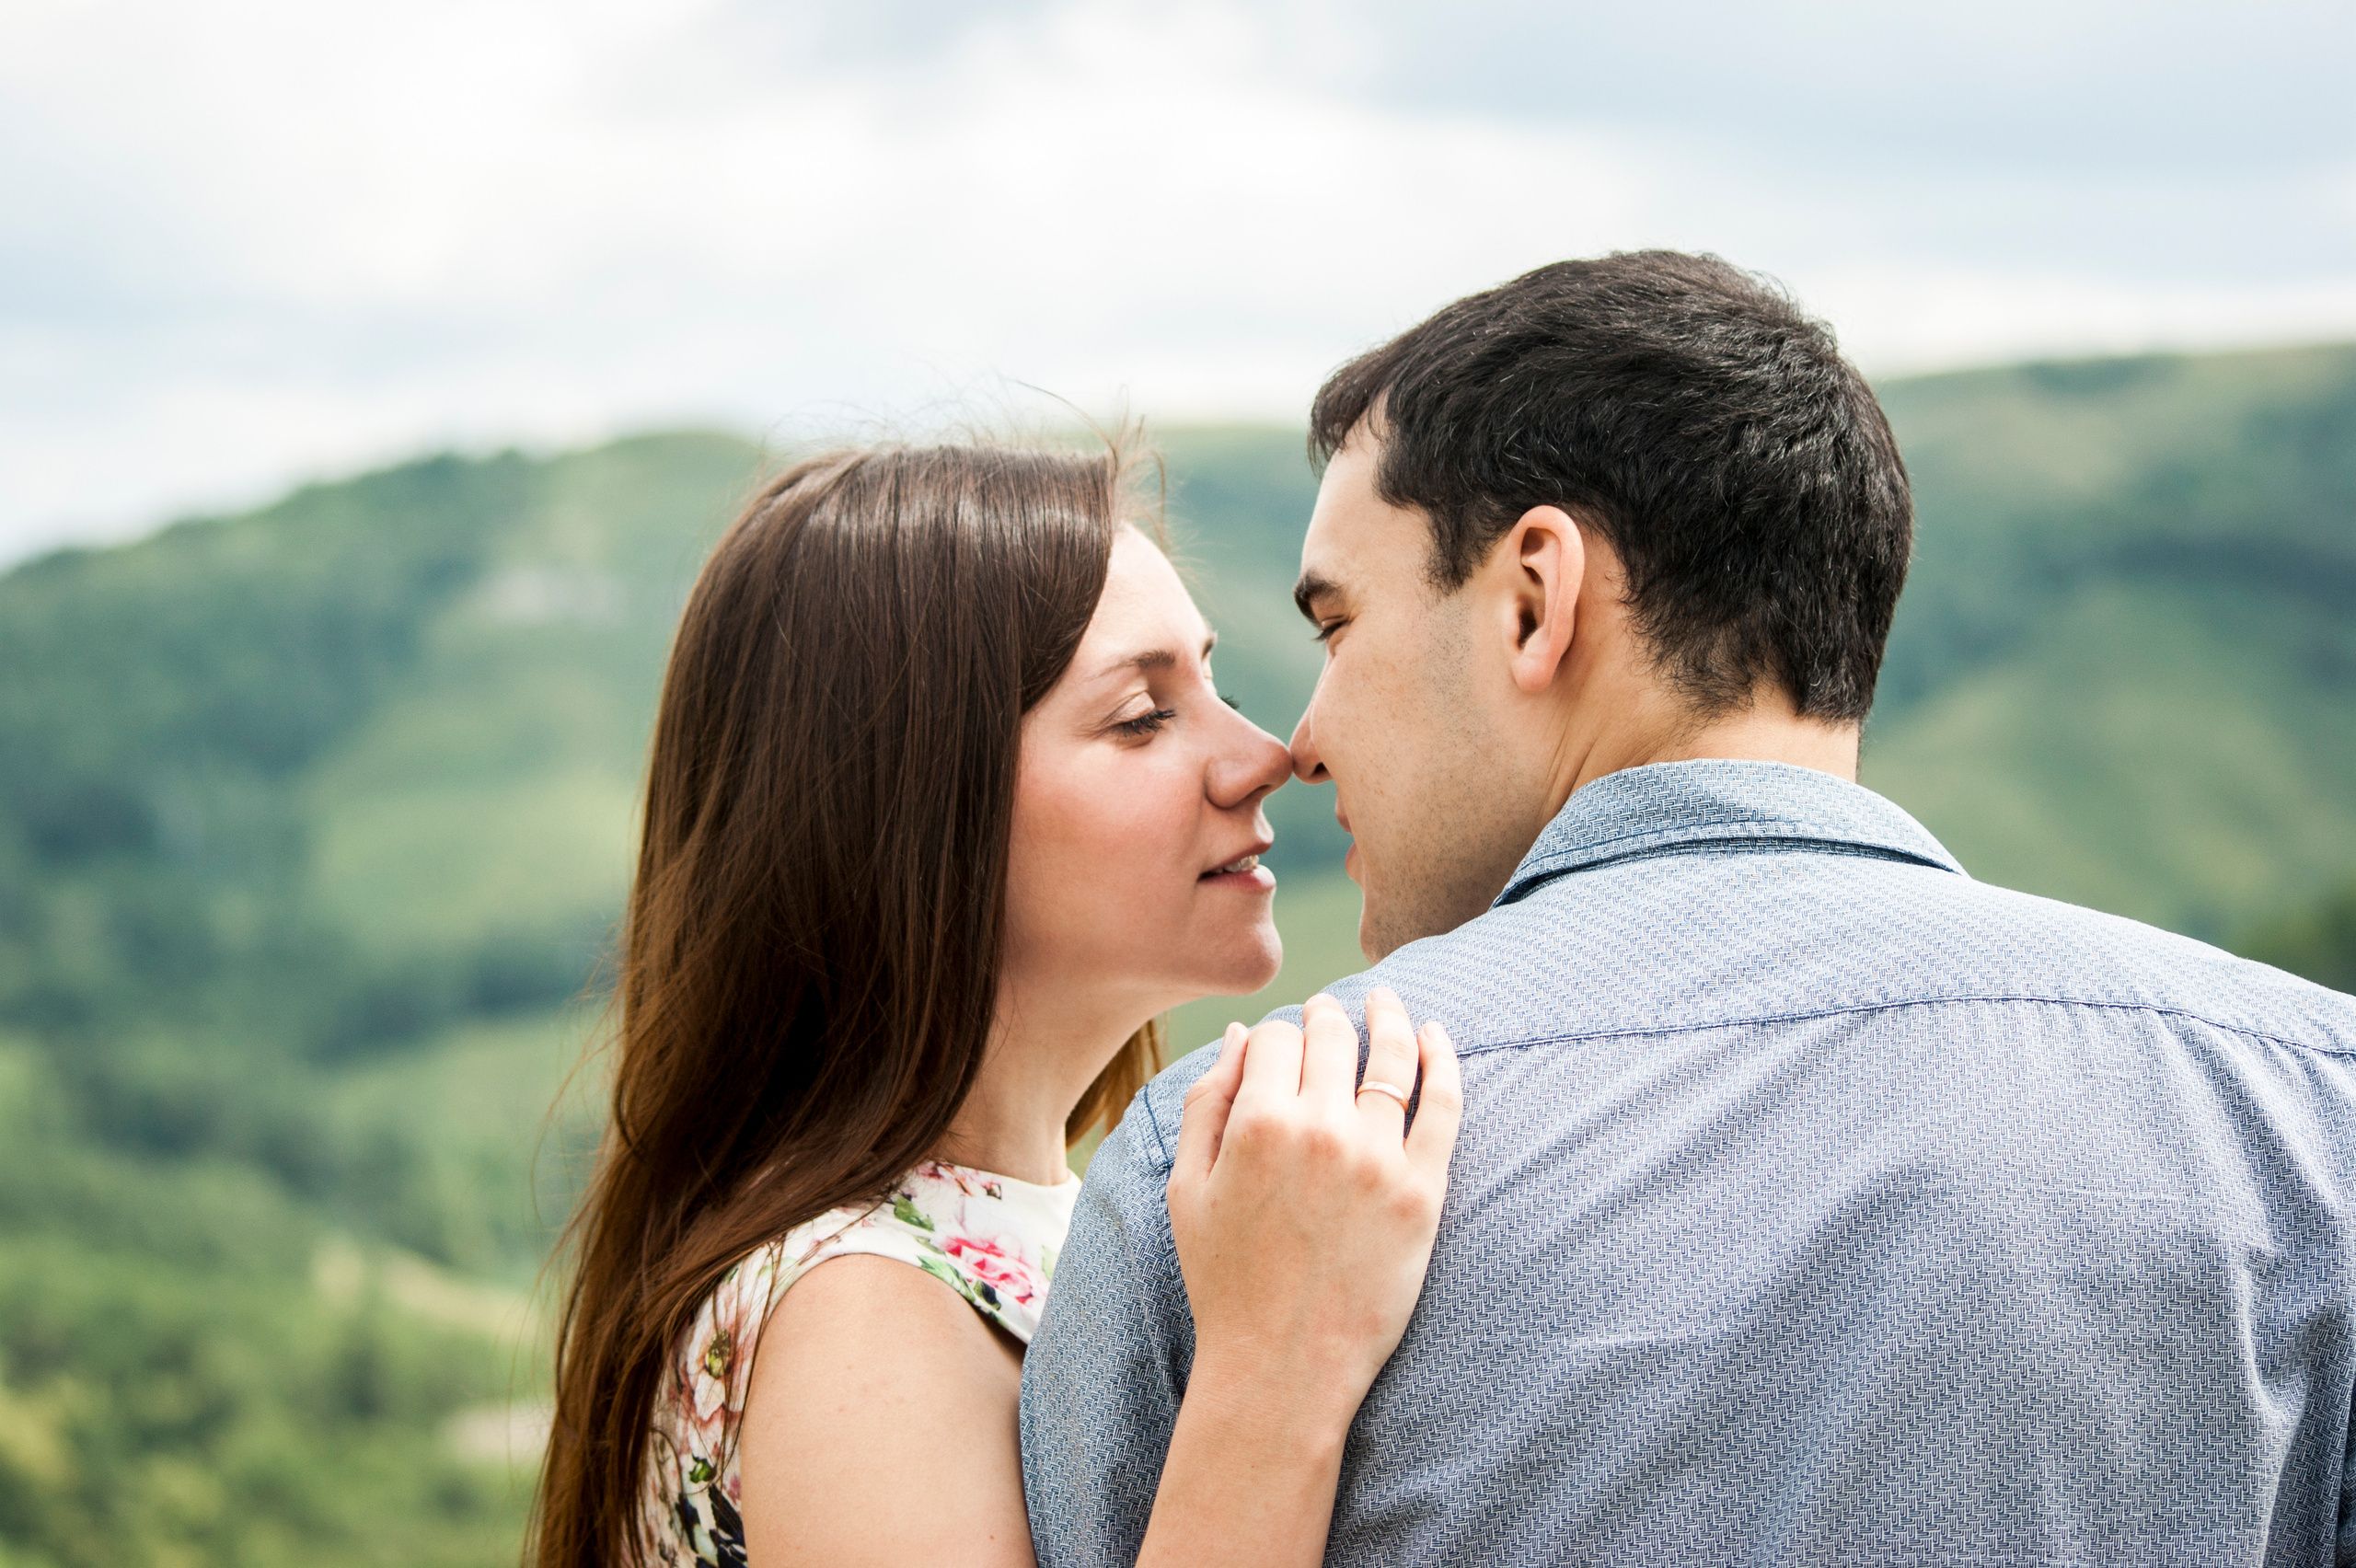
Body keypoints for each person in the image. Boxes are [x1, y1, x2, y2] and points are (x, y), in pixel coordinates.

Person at [1023, 253, 2356, 1564]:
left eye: (1337, 627)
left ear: (1535, 600)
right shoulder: (2311, 1108)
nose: (1300, 743)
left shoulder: (1224, 1163)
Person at [531, 443, 1463, 1568]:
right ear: (909, 810)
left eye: (1216, 687)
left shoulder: (986, 1246)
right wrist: (1277, 1367)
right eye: (1142, 716)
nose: (1264, 755)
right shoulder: (858, 1315)